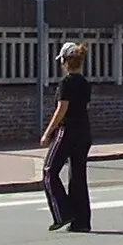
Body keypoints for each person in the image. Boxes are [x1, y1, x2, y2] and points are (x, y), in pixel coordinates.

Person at [40, 41, 93, 233]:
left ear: (64, 61)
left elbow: (62, 109)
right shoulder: (85, 83)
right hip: (84, 132)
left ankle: (63, 213)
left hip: (67, 131)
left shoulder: (66, 83)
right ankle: (82, 221)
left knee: (49, 171)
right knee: (78, 176)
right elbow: (84, 108)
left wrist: (48, 132)